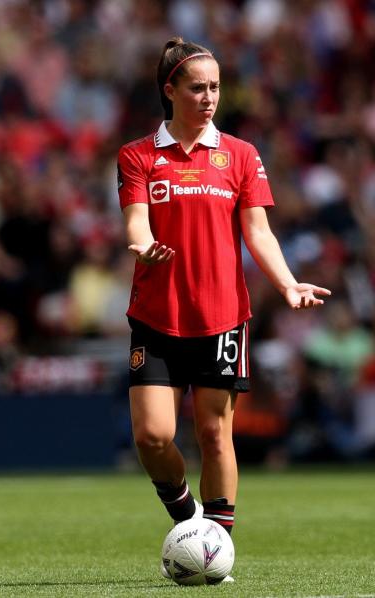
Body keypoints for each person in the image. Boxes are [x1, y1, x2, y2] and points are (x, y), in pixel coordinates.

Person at [117, 37, 331, 582]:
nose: (210, 97)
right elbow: (136, 222)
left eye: (215, 86)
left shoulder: (240, 154)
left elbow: (257, 232)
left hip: (222, 316)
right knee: (154, 437)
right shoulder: (139, 156)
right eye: (197, 87)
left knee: (215, 435)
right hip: (157, 315)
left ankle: (217, 552)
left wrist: (286, 284)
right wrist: (143, 246)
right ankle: (188, 519)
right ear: (170, 91)